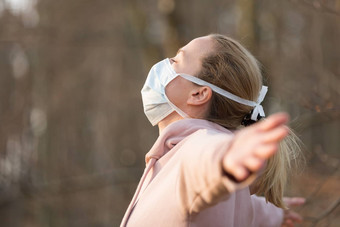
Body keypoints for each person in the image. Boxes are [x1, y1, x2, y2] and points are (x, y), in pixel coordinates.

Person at [121, 34, 304, 227]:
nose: (165, 63)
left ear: (199, 94)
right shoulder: (179, 159)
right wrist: (270, 213)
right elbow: (228, 205)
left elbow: (205, 158)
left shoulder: (195, 149)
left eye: (176, 60)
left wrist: (227, 156)